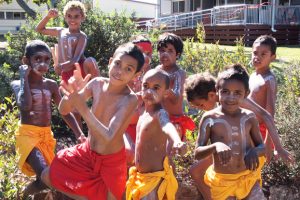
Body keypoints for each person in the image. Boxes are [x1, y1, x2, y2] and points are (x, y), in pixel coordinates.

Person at [41, 42, 144, 200]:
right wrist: (71, 96)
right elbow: (63, 110)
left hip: (111, 161)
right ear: (110, 62)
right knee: (47, 176)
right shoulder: (97, 83)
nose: (120, 71)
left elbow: (109, 136)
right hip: (87, 152)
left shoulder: (129, 100)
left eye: (128, 69)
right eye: (117, 64)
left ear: (136, 75)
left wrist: (82, 108)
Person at [185, 70, 294, 200]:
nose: (202, 108)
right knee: (196, 170)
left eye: (201, 105)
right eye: (225, 92)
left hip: (249, 149)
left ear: (212, 94)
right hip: (228, 163)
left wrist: (277, 146)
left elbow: (266, 115)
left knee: (196, 170)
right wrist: (216, 146)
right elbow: (200, 150)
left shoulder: (240, 104)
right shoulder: (212, 116)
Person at [10, 40, 84, 198]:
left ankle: (30, 195)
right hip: (27, 136)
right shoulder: (18, 84)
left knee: (47, 180)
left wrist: (79, 133)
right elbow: (25, 105)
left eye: (47, 59)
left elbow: (64, 111)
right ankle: (22, 196)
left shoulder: (50, 85)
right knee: (46, 177)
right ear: (26, 61)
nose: (43, 63)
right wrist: (24, 78)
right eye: (37, 59)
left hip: (46, 136)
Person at [194, 64, 266, 200]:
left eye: (237, 93)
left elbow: (262, 147)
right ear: (217, 91)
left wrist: (254, 151)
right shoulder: (210, 118)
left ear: (246, 93)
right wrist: (215, 146)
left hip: (248, 179)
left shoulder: (249, 117)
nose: (231, 98)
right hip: (223, 184)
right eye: (225, 92)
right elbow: (197, 153)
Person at [126, 68, 186, 200]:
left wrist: (176, 140)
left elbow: (167, 125)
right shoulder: (143, 112)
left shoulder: (159, 113)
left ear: (165, 94)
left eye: (156, 88)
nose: (149, 91)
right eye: (146, 86)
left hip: (153, 181)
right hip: (140, 178)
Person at [35, 0, 100, 83]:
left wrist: (60, 66)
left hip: (78, 70)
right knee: (70, 94)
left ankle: (99, 88)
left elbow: (76, 59)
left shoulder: (81, 36)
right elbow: (39, 29)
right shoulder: (60, 31)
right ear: (65, 17)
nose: (72, 19)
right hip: (66, 71)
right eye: (69, 16)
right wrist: (48, 17)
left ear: (82, 17)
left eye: (76, 16)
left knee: (90, 60)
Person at [156, 32, 195, 141]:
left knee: (172, 152)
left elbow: (176, 98)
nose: (165, 54)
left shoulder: (179, 73)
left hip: (174, 120)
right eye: (162, 51)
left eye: (170, 51)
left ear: (177, 55)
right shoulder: (156, 71)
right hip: (158, 119)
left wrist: (167, 91)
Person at [124, 35, 153, 166]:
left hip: (143, 125)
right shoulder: (125, 75)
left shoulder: (154, 77)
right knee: (130, 153)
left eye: (148, 53)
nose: (145, 58)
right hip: (123, 125)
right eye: (141, 53)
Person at [249, 35, 278, 162]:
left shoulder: (269, 81)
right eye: (255, 53)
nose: (257, 57)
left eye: (263, 54)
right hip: (246, 127)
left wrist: (268, 141)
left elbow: (270, 113)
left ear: (272, 57)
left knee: (252, 167)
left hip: (259, 132)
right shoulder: (252, 76)